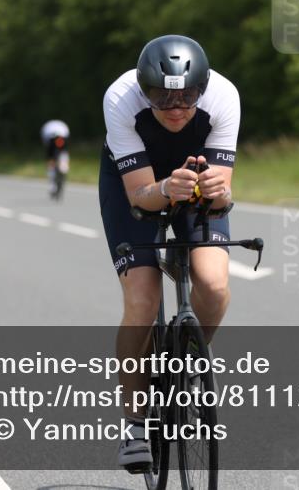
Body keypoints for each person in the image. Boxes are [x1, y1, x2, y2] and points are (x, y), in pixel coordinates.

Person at [99, 35, 239, 470]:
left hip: (192, 179)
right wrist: (164, 189)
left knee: (214, 285)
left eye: (187, 96)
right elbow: (139, 195)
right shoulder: (121, 98)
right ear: (144, 90)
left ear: (203, 87)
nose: (177, 107)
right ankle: (135, 423)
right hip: (137, 185)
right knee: (142, 301)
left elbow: (220, 194)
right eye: (163, 98)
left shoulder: (224, 95)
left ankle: (188, 363)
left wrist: (218, 191)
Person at [40, 119, 70, 198]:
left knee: (62, 166)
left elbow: (64, 152)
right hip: (53, 149)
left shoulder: (62, 139)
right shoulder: (50, 142)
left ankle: (58, 180)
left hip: (61, 150)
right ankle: (53, 184)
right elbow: (50, 155)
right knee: (51, 166)